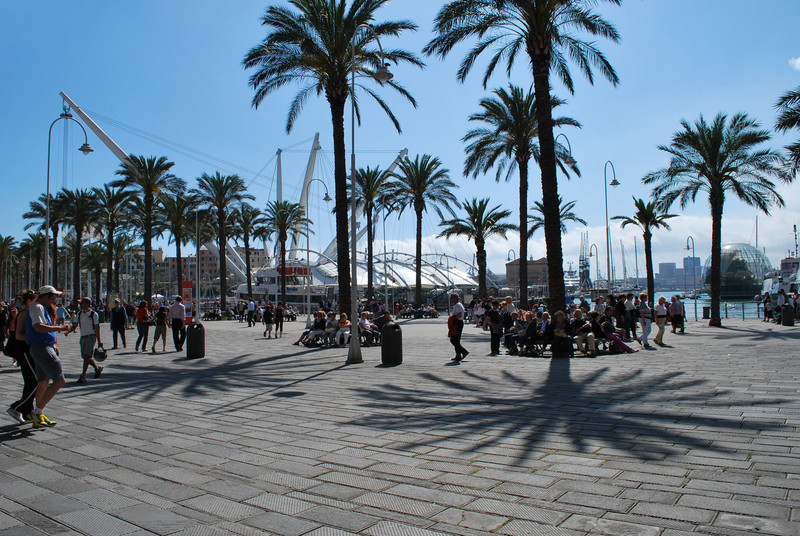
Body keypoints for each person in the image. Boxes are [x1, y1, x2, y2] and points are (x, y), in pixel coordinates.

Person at [26, 285, 71, 428]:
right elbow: (38, 327)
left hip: (42, 346)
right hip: (42, 347)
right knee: (59, 380)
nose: (53, 301)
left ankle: (38, 414)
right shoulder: (37, 307)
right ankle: (37, 412)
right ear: (45, 296)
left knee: (43, 381)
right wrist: (60, 328)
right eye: (52, 298)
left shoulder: (38, 307)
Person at [6, 290, 37, 425]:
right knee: (36, 382)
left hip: (27, 351)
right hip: (24, 351)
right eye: (35, 300)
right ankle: (17, 407)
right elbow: (18, 335)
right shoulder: (24, 314)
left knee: (30, 382)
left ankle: (27, 411)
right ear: (29, 301)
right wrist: (36, 338)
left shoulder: (29, 313)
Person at [69, 297, 104, 384]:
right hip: (83, 337)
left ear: (87, 304)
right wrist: (68, 331)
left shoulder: (94, 314)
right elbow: (75, 325)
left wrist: (99, 340)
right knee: (86, 357)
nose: (80, 305)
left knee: (86, 356)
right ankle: (97, 368)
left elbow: (97, 328)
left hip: (91, 336)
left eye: (82, 303)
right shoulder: (79, 313)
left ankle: (83, 375)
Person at [447, 293, 469, 361]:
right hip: (458, 323)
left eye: (452, 298)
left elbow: (459, 315)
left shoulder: (457, 305)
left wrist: (453, 318)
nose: (450, 299)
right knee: (456, 340)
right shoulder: (457, 305)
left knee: (453, 339)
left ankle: (464, 351)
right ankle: (458, 355)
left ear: (455, 298)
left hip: (457, 323)